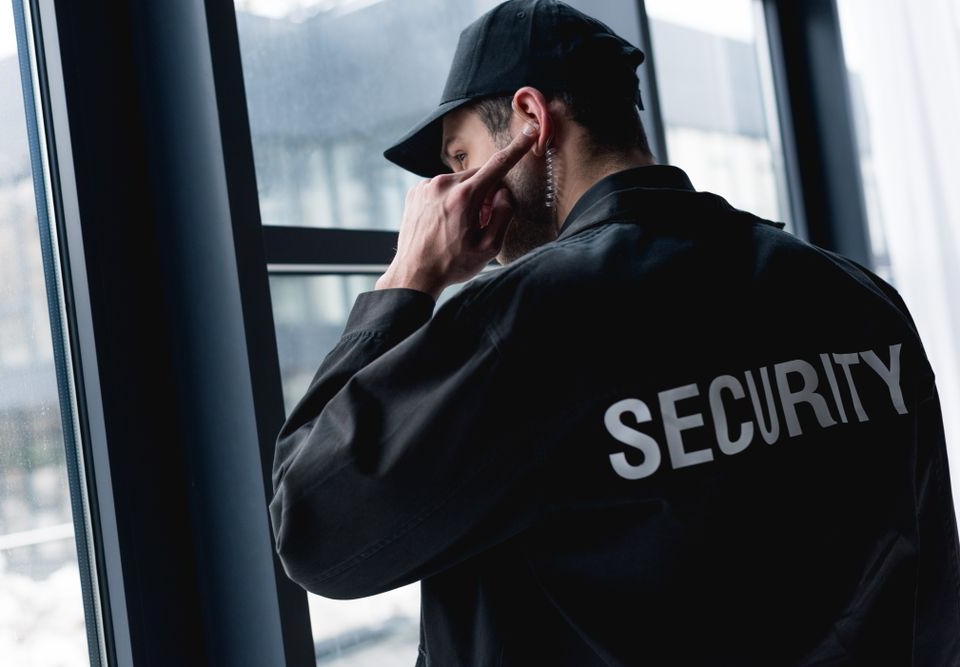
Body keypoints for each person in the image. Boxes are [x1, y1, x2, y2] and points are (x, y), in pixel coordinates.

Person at [268, 0, 960, 664]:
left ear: (531, 120)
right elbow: (931, 596)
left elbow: (314, 523)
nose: (452, 187)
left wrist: (408, 277)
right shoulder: (858, 297)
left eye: (459, 157)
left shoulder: (526, 323)